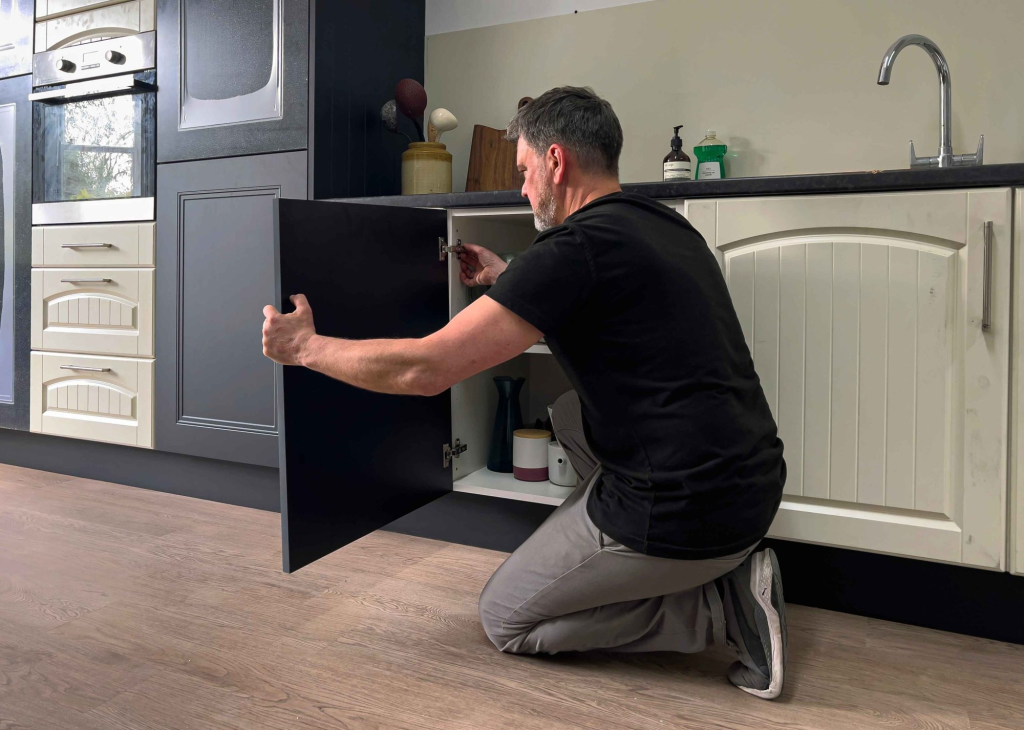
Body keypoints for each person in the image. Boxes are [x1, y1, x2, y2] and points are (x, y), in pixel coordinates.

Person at [262, 86, 788, 699]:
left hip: (684, 508)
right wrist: (508, 278)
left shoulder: (572, 250)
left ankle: (720, 611)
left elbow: (424, 370)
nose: (522, 190)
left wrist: (306, 348)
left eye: (523, 171)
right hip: (750, 482)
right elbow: (595, 303)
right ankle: (696, 564)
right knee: (568, 412)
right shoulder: (663, 226)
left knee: (506, 619)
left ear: (556, 161)